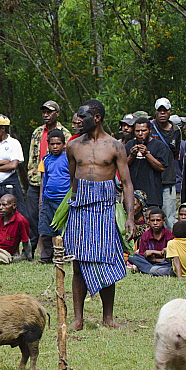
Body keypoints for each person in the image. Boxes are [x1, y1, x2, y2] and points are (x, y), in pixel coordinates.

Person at [64, 99, 134, 330]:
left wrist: (130, 216)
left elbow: (126, 183)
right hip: (81, 207)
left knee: (107, 260)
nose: (77, 121)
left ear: (97, 118)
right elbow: (73, 182)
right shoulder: (73, 147)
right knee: (78, 263)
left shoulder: (115, 146)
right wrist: (70, 212)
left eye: (82, 117)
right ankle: (78, 318)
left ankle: (108, 318)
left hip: (104, 207)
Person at [26, 101, 71, 252]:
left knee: (60, 221)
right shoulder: (37, 132)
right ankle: (34, 250)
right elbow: (32, 155)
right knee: (35, 216)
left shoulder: (65, 133)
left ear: (57, 113)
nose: (46, 115)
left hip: (59, 188)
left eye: (49, 112)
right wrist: (32, 173)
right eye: (44, 112)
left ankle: (61, 251)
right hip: (37, 180)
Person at [38, 129, 70, 263]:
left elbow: (73, 177)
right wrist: (41, 198)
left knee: (65, 230)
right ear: (48, 144)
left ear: (63, 144)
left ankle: (66, 256)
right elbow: (43, 180)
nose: (55, 147)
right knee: (46, 229)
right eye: (52, 144)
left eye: (58, 144)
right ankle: (46, 257)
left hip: (64, 200)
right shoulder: (45, 160)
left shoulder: (68, 158)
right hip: (48, 199)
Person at [125, 117, 169, 208]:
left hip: (152, 194)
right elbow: (122, 166)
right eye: (137, 131)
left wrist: (147, 154)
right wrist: (132, 156)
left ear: (149, 130)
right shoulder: (129, 144)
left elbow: (161, 167)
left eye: (143, 130)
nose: (140, 134)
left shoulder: (158, 145)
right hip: (133, 194)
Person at [152, 98, 181, 228]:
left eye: (165, 111)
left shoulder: (176, 131)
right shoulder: (150, 128)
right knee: (151, 216)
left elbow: (176, 154)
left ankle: (169, 244)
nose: (162, 113)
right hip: (152, 179)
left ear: (170, 112)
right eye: (160, 111)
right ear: (155, 112)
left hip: (168, 179)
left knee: (169, 216)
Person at [128, 208, 175, 276]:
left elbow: (172, 252)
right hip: (150, 262)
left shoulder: (169, 233)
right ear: (149, 221)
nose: (155, 223)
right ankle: (155, 270)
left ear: (164, 221)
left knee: (173, 261)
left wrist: (154, 252)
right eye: (153, 220)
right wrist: (154, 259)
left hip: (165, 262)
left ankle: (149, 270)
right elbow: (142, 254)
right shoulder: (145, 235)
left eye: (158, 220)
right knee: (133, 257)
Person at [0, 194, 32, 259]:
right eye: (0, 205)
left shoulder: (21, 221)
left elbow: (26, 241)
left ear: (14, 206)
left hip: (3, 252)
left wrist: (29, 257)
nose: (0, 208)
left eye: (4, 205)